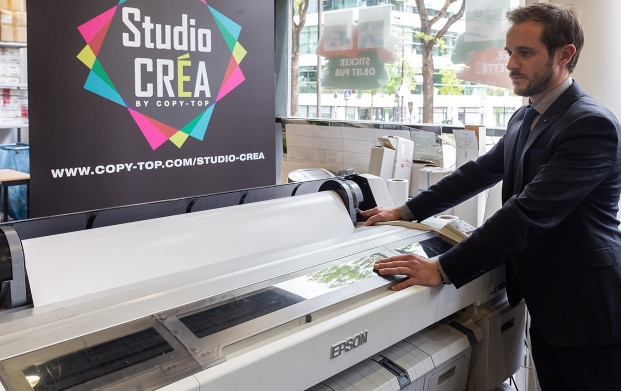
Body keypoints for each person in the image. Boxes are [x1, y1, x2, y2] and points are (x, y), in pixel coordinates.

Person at [359, 3, 621, 390]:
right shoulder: (526, 115)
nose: (511, 64)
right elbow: (479, 172)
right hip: (547, 301)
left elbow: (528, 212)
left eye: (525, 53)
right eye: (509, 52)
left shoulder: (589, 124)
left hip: (587, 309)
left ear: (565, 55)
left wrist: (442, 268)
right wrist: (406, 210)